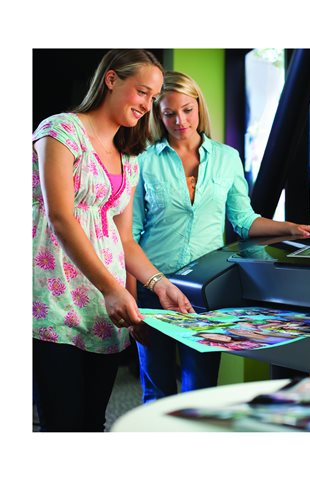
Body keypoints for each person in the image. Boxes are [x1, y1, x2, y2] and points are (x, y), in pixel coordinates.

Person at [132, 71, 310, 403]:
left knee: (201, 386)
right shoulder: (143, 162)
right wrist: (131, 297)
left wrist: (290, 228)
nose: (180, 121)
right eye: (169, 113)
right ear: (157, 115)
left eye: (187, 110)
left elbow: (244, 222)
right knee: (157, 387)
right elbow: (129, 234)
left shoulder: (226, 158)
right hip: (153, 286)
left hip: (204, 289)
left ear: (199, 107)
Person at [32, 50, 195, 432]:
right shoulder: (61, 131)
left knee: (93, 423)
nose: (147, 105)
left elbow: (123, 239)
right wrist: (111, 288)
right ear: (111, 80)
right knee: (63, 426)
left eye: (153, 98)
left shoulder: (129, 157)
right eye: (142, 92)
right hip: (54, 301)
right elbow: (61, 218)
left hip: (104, 310)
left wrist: (159, 284)